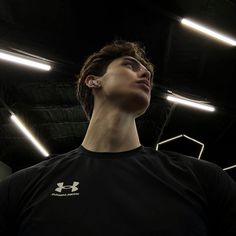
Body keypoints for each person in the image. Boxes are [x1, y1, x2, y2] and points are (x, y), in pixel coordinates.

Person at [0, 40, 236, 236]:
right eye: (130, 65)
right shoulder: (21, 188)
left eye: (148, 73)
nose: (145, 73)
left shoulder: (206, 180)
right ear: (93, 80)